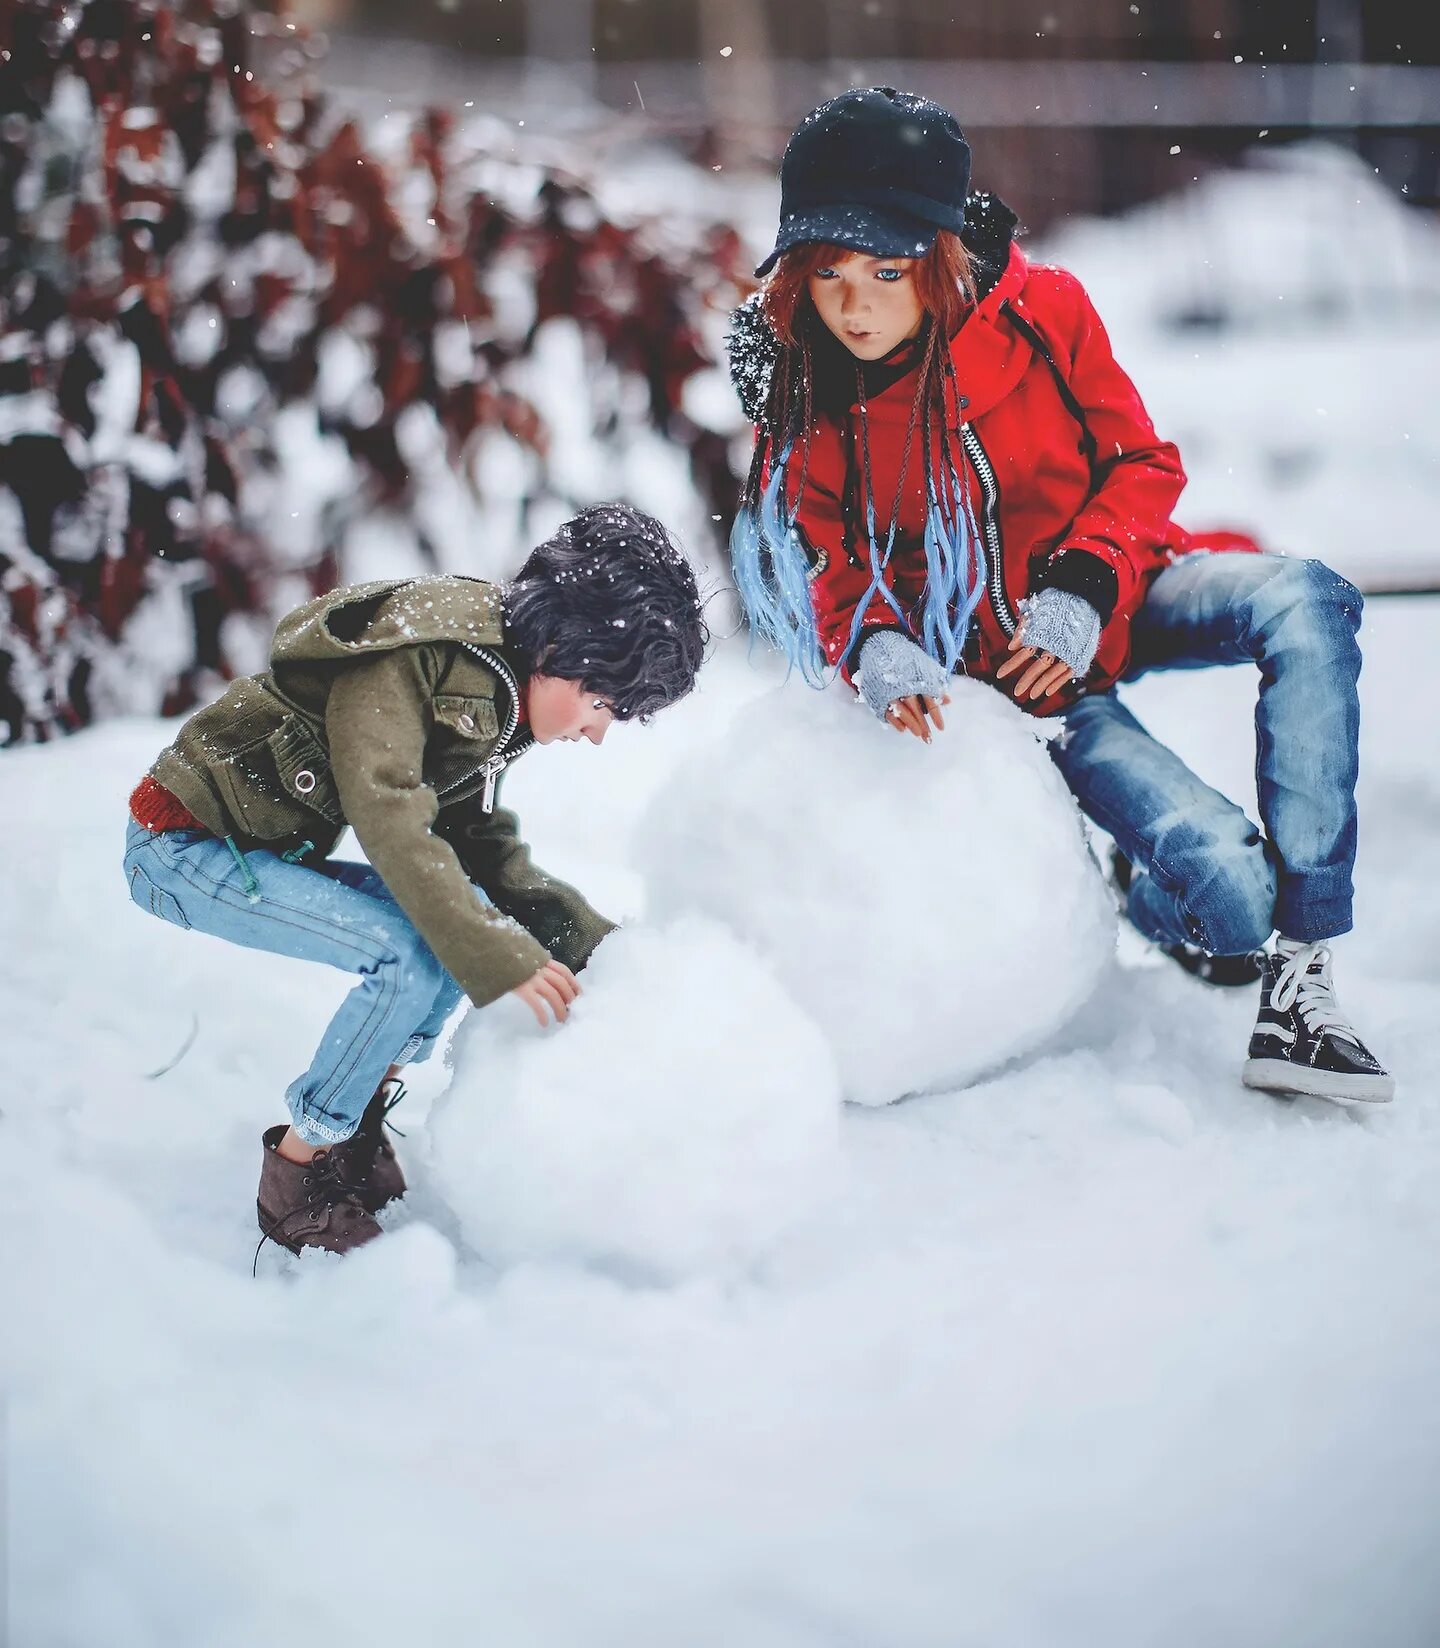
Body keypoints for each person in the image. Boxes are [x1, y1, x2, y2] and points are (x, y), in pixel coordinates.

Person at [728, 86, 1392, 1107]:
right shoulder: (811, 402)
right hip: (1024, 683)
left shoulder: (1045, 313)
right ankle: (1159, 894)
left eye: (886, 272)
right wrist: (876, 648)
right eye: (827, 276)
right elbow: (827, 564)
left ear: (942, 256)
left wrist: (1082, 583)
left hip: (1124, 585)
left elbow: (1141, 460)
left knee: (1307, 596)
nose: (854, 306)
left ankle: (1302, 979)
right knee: (1226, 891)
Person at [123, 503, 708, 1256]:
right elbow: (387, 809)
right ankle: (297, 1177)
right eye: (602, 704)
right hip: (181, 846)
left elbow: (479, 846)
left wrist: (590, 947)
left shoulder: (494, 692)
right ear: (564, 646)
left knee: (437, 948)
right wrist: (498, 957)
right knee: (404, 953)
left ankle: (350, 1133)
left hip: (255, 850)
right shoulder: (419, 654)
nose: (596, 732)